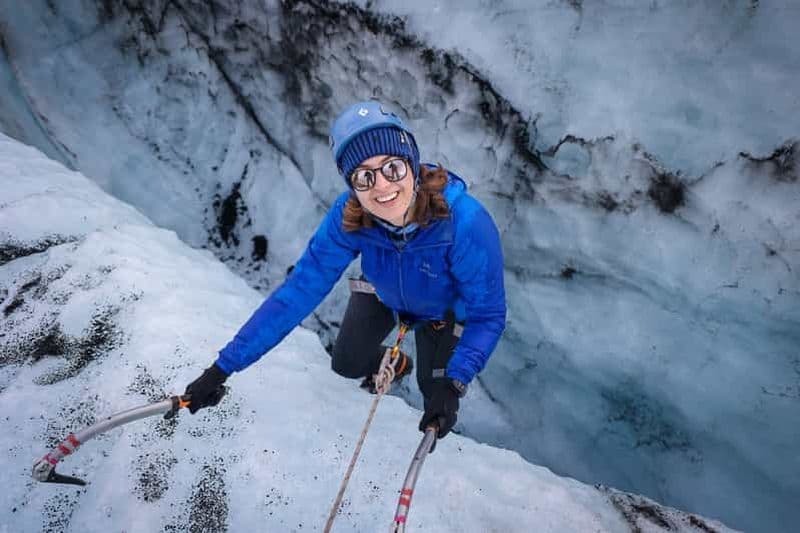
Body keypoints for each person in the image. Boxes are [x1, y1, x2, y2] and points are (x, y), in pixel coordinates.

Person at [185, 101, 506, 441]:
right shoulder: (349, 216)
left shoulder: (464, 223)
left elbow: (488, 314)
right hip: (385, 291)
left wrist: (456, 381)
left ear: (412, 163)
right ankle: (397, 365)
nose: (382, 186)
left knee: (435, 391)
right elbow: (298, 293)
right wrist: (221, 369)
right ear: (352, 185)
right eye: (364, 176)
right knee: (347, 364)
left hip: (443, 312)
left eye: (392, 168)